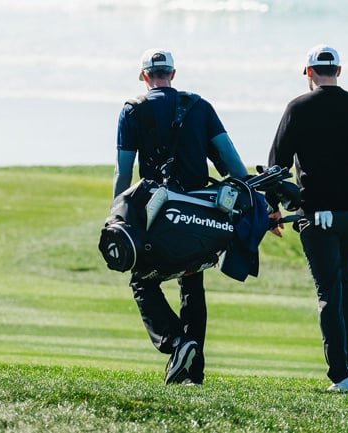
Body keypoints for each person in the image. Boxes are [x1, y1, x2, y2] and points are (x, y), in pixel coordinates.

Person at [266, 44, 348, 392]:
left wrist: (273, 207)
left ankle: (340, 374)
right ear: (338, 70)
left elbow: (277, 165)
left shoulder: (297, 108)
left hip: (315, 214)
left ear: (308, 72)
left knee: (329, 291)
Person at [113, 48, 249, 385]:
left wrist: (117, 216)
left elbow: (123, 172)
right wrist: (253, 200)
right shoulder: (199, 106)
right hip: (200, 214)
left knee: (142, 281)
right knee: (192, 282)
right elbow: (232, 162)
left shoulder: (132, 110)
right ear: (173, 74)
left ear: (144, 76)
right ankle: (191, 373)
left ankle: (177, 343)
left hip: (158, 214)